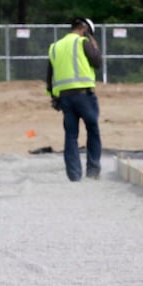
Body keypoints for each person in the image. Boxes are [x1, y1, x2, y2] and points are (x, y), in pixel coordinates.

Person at [46, 17, 103, 182]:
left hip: (65, 98)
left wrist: (53, 96)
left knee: (71, 135)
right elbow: (97, 62)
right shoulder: (82, 43)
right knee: (92, 130)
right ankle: (93, 171)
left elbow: (50, 76)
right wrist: (95, 47)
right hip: (84, 95)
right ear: (84, 29)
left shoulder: (55, 47)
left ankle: (74, 175)